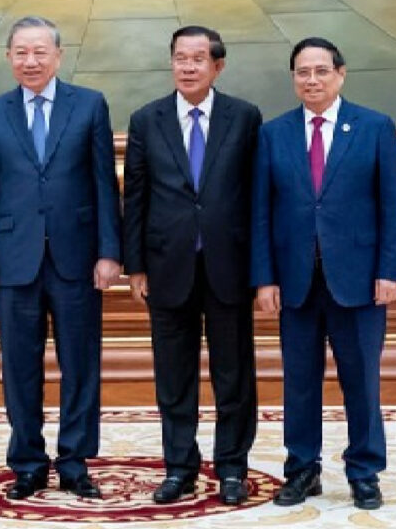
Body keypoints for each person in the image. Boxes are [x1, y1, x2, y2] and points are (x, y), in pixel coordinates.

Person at [251, 37, 396, 510]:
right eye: (303, 72)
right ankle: (302, 469)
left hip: (359, 280)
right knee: (299, 382)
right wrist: (265, 278)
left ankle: (364, 471)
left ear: (341, 74)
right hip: (295, 282)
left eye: (321, 71)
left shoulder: (374, 127)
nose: (312, 80)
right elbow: (261, 211)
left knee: (361, 380)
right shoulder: (273, 134)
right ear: (293, 78)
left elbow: (393, 204)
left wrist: (390, 271)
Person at [0, 15, 122, 501]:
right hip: (14, 261)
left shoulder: (90, 105)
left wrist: (109, 251)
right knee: (20, 367)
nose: (30, 61)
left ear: (58, 56)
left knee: (81, 365)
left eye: (39, 52)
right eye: (21, 52)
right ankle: (28, 463)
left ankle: (75, 462)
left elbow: (104, 183)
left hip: (77, 259)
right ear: (8, 57)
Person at [123, 25, 261, 506]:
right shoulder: (147, 119)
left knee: (233, 376)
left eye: (198, 59)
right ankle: (179, 467)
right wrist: (136, 267)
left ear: (217, 66)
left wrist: (261, 270)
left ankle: (232, 468)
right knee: (174, 377)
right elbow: (135, 196)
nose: (187, 67)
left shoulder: (244, 117)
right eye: (180, 58)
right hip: (167, 267)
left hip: (230, 267)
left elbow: (257, 198)